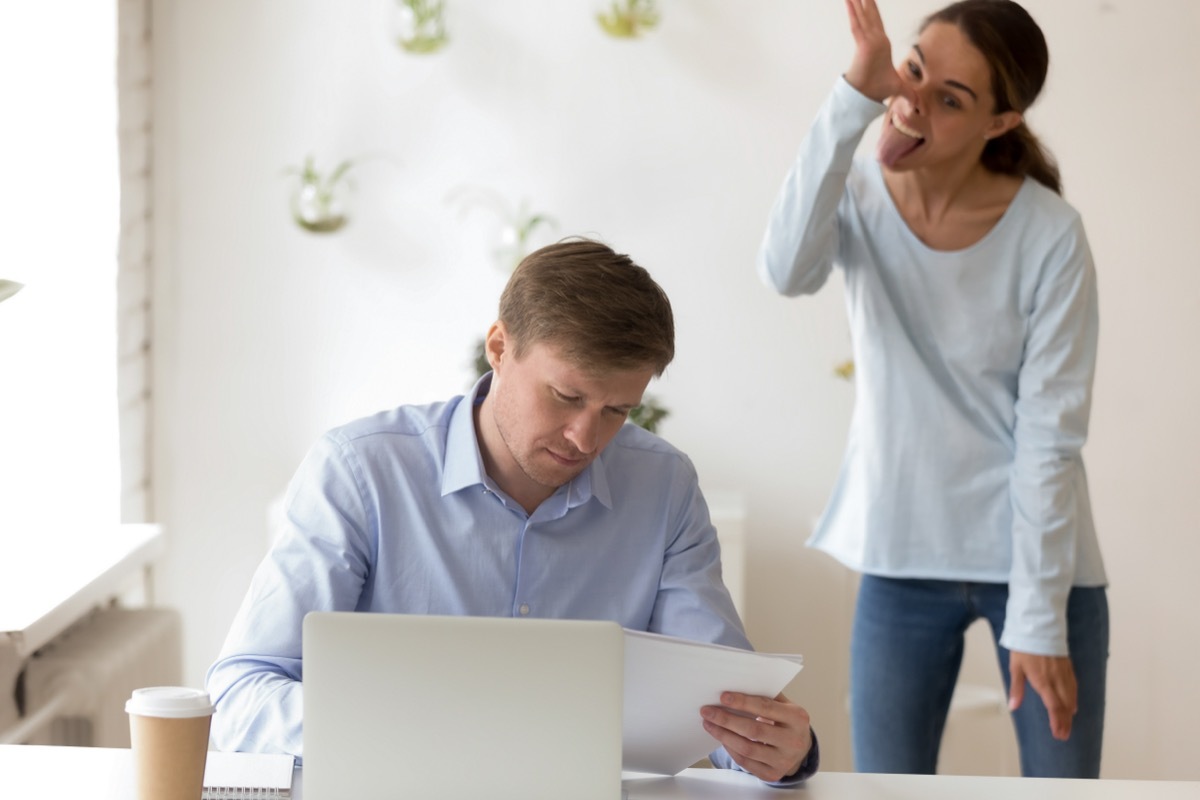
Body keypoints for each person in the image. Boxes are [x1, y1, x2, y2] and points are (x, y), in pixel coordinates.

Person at [206, 238, 818, 785]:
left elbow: (723, 703)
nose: (585, 437)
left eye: (616, 411)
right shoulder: (360, 471)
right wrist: (413, 736)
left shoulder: (665, 486)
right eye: (567, 396)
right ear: (498, 347)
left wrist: (781, 749)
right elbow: (242, 693)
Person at [757, 0, 1107, 779]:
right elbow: (784, 270)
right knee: (886, 790)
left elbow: (1050, 437)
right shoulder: (856, 195)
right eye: (913, 71)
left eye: (950, 99)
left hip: (1040, 565)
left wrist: (1040, 619)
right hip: (901, 553)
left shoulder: (1050, 235)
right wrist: (854, 94)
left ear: (1001, 123)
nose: (912, 103)